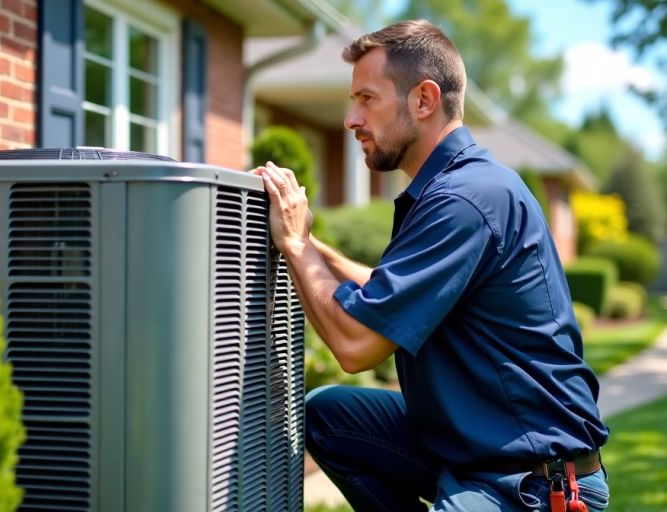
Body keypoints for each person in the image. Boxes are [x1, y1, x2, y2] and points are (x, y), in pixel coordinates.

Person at [252, 20, 609, 512]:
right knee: (329, 416)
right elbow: (385, 294)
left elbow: (357, 345)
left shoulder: (468, 199)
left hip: (530, 481)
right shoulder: (447, 191)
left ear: (424, 99)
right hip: (473, 452)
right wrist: (310, 241)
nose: (350, 120)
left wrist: (294, 244)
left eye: (367, 99)